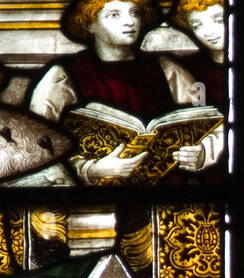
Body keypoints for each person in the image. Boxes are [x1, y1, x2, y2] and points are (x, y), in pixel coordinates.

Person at [26, 0, 223, 185]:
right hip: (100, 202)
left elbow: (207, 120)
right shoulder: (62, 76)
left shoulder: (169, 69)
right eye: (114, 15)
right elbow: (37, 142)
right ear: (89, 24)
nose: (129, 21)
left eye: (134, 13)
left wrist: (203, 153)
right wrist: (90, 169)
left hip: (170, 195)